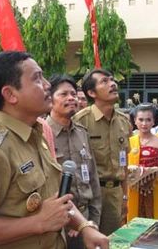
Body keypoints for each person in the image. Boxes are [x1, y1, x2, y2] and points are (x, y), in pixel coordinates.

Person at [0, 51, 108, 249]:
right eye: (37, 78)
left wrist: (84, 226)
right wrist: (38, 222)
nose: (47, 85)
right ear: (10, 94)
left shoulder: (36, 133)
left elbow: (54, 200)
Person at [45, 75, 101, 249]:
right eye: (63, 94)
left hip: (85, 219)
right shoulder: (41, 135)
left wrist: (90, 221)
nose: (71, 98)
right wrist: (71, 220)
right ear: (50, 101)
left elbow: (93, 179)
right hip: (57, 225)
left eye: (73, 94)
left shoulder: (82, 133)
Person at [73, 69, 131, 236]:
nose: (112, 84)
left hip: (115, 193)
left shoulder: (124, 121)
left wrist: (125, 196)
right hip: (89, 196)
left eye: (112, 80)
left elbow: (124, 162)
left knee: (111, 240)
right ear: (91, 92)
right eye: (104, 81)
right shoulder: (80, 121)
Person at [127, 104, 158, 221]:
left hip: (155, 187)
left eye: (148, 120)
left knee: (154, 219)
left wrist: (156, 172)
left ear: (154, 122)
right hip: (133, 188)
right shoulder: (128, 142)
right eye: (140, 119)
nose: (144, 123)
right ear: (135, 121)